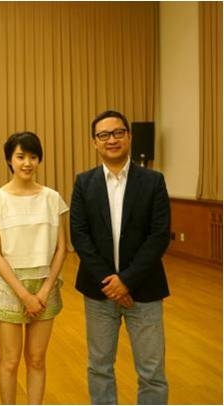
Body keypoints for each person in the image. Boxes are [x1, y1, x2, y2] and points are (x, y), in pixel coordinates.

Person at [70, 110, 171, 404]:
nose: (111, 140)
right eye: (103, 135)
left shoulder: (153, 181)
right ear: (94, 142)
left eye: (117, 133)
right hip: (99, 292)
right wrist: (110, 282)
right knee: (99, 367)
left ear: (128, 136)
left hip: (145, 290)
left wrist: (126, 281)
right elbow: (80, 236)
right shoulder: (84, 183)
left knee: (152, 371)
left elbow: (159, 235)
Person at [0, 132, 68, 404]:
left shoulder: (52, 198)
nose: (27, 163)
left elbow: (61, 248)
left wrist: (43, 290)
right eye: (20, 157)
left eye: (33, 157)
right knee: (9, 361)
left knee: (37, 359)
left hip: (45, 285)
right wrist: (24, 294)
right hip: (8, 285)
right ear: (10, 160)